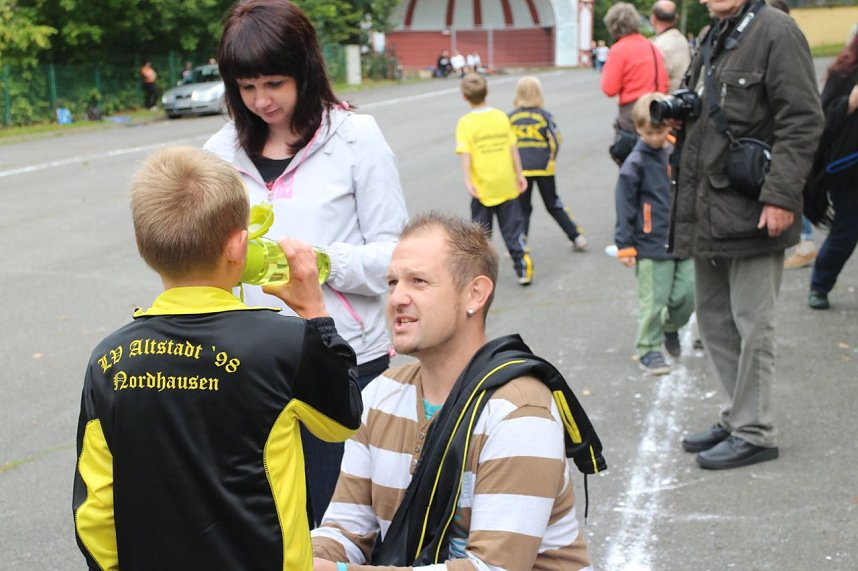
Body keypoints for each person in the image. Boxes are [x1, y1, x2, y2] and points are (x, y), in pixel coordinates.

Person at [72, 146, 362, 571]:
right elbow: (342, 420)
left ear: (142, 243)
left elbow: (95, 511)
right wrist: (316, 314)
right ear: (238, 246)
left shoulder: (109, 360)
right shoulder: (285, 345)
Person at [203, 0, 409, 526]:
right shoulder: (219, 151)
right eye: (246, 87)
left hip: (341, 360)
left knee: (339, 518)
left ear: (306, 70)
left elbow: (395, 257)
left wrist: (320, 262)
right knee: (266, 518)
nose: (261, 101)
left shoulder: (356, 138)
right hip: (248, 362)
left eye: (273, 83)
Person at [311, 212, 604, 570]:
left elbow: (494, 568)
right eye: (391, 283)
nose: (397, 298)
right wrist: (306, 558)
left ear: (475, 294)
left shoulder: (519, 413)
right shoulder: (379, 396)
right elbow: (345, 530)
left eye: (418, 281)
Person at [672, 0, 823, 469]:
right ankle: (737, 415)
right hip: (708, 209)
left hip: (756, 206)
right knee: (715, 320)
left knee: (753, 324)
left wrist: (780, 196)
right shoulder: (713, 34)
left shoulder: (776, 30)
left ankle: (755, 430)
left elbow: (802, 120)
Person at [614, 93, 694, 375]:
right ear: (638, 128)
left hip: (683, 239)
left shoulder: (675, 151)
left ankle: (671, 327)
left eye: (661, 131)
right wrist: (625, 244)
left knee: (688, 294)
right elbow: (624, 206)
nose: (656, 137)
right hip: (650, 243)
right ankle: (648, 349)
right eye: (649, 132)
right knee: (653, 302)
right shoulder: (634, 163)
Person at [455, 72, 532, 285]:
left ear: (464, 97)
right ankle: (523, 269)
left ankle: (482, 277)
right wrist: (519, 173)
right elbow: (512, 148)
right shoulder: (501, 117)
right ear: (487, 92)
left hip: (483, 187)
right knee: (513, 230)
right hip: (506, 184)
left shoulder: (465, 123)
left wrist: (468, 179)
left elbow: (466, 154)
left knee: (480, 236)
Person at [805, 34, 858, 309]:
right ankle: (820, 284)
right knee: (846, 234)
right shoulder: (844, 73)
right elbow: (821, 122)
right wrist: (849, 104)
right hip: (849, 171)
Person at [509, 75, 589, 251]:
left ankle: (520, 245)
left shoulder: (511, 118)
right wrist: (551, 159)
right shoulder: (545, 116)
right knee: (553, 204)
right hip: (544, 167)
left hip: (521, 170)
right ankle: (577, 237)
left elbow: (508, 145)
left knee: (522, 208)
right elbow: (556, 140)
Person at [601, 3, 668, 133]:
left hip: (632, 112)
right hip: (656, 107)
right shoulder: (651, 46)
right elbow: (663, 82)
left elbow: (609, 89)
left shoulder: (619, 50)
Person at [650, 0, 691, 92]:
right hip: (681, 97)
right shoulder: (682, 40)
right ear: (675, 18)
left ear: (653, 18)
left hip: (664, 99)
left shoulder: (657, 46)